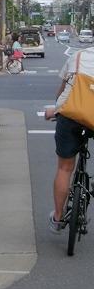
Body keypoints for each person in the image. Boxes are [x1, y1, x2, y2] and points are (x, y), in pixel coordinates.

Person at [45, 45, 94, 233]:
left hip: (71, 115)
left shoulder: (78, 56)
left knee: (65, 168)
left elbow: (63, 91)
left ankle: (58, 218)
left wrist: (55, 111)